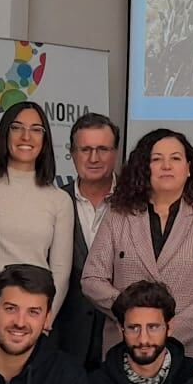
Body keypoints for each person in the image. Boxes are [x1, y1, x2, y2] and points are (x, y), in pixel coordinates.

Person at [82, 128, 193, 359]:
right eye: (156, 159)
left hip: (189, 348)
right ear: (144, 168)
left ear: (189, 168)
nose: (167, 166)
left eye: (175, 158)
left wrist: (172, 329)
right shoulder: (118, 215)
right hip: (126, 346)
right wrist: (133, 316)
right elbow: (92, 279)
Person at [0, 101, 75, 330]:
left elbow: (60, 272)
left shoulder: (59, 199)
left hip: (37, 320)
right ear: (4, 134)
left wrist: (42, 322)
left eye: (36, 129)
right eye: (17, 128)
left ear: (45, 140)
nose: (26, 136)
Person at [55, 113, 120, 370]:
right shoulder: (54, 202)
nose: (94, 158)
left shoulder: (137, 203)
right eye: (85, 149)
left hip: (121, 338)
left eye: (103, 149)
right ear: (72, 153)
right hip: (65, 341)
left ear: (116, 152)